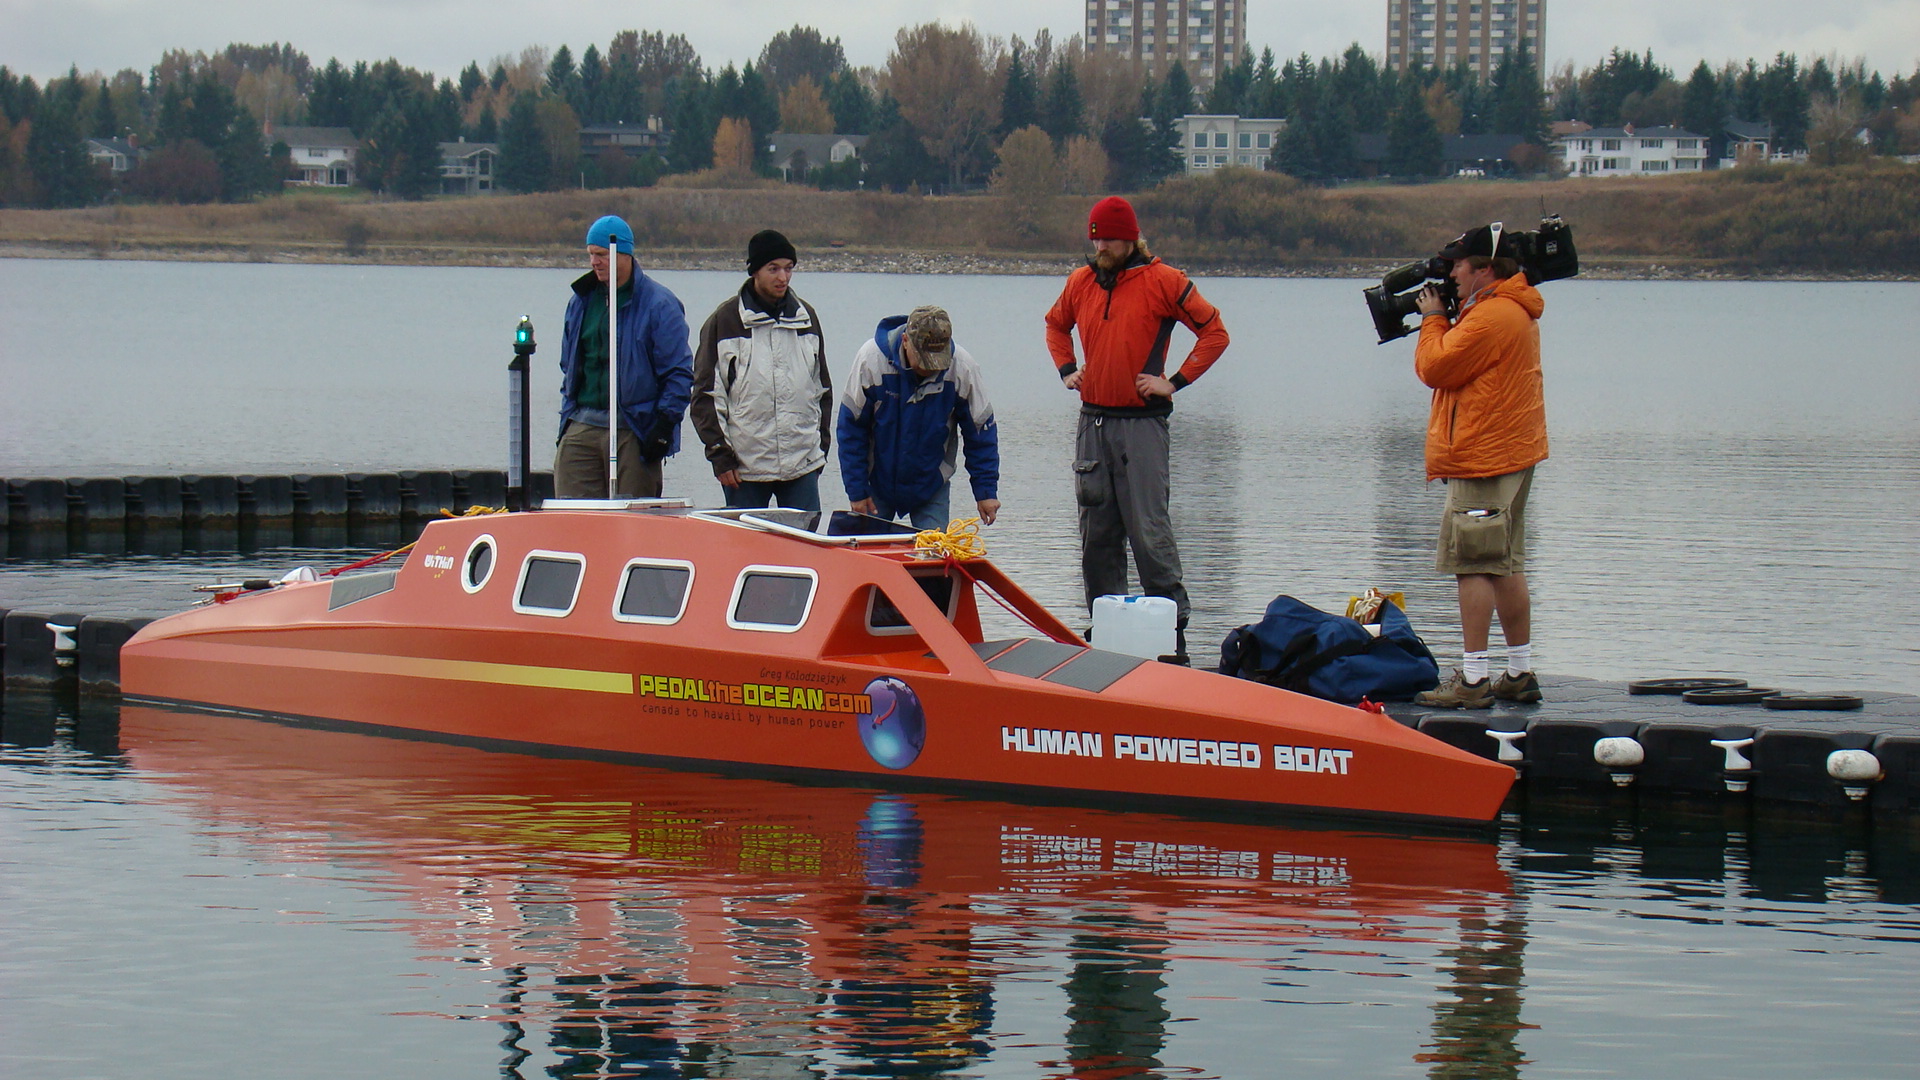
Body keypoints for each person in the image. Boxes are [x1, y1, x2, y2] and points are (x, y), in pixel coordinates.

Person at [1044, 196, 1229, 657]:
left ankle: (1172, 629)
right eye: (1095, 238)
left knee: (1148, 531)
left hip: (1142, 426)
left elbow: (1215, 332)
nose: (1100, 246)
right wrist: (1067, 367)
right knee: (1096, 535)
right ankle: (1107, 631)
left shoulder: (1165, 282)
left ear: (1130, 238)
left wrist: (1175, 382)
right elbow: (1054, 325)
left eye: (1108, 238)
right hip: (1093, 423)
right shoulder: (1081, 282)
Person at [1411, 223, 1549, 708]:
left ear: (1485, 269)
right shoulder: (1510, 309)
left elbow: (1435, 367)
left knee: (1472, 564)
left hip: (1484, 458)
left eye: (1458, 266)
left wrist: (1432, 319)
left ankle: (1472, 681)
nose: (1450, 275)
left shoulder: (1491, 316)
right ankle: (1519, 671)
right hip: (1511, 452)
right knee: (1505, 562)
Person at [554, 215, 694, 499]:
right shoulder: (580, 301)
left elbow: (678, 373)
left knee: (633, 525)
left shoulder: (660, 304)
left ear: (625, 254)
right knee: (571, 517)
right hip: (583, 422)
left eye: (603, 254)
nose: (595, 262)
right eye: (591, 254)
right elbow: (568, 364)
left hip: (635, 428)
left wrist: (664, 424)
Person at [691, 229, 831, 510]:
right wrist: (720, 455)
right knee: (743, 552)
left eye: (789, 269)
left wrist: (821, 448)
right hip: (744, 470)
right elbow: (706, 396)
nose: (783, 277)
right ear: (754, 271)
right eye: (774, 269)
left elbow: (821, 389)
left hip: (801, 466)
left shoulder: (806, 318)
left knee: (805, 553)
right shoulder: (724, 321)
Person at [837, 306, 1001, 530]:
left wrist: (986, 492)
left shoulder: (962, 367)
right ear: (905, 340)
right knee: (868, 555)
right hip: (876, 482)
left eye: (937, 359)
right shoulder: (871, 360)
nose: (930, 367)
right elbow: (851, 429)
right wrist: (856, 490)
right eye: (924, 358)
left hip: (931, 483)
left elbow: (980, 433)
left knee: (934, 555)